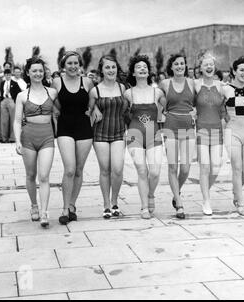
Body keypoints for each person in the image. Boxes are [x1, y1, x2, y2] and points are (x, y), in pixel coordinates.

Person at [13, 57, 58, 228]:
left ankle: (45, 212)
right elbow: (17, 121)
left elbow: (61, 111)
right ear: (28, 73)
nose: (38, 73)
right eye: (34, 71)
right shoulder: (22, 96)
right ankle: (34, 205)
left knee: (44, 176)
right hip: (28, 137)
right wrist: (17, 140)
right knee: (31, 175)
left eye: (40, 70)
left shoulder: (52, 92)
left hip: (47, 135)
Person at [51, 51, 94, 225]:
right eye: (69, 63)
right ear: (63, 65)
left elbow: (93, 101)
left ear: (80, 65)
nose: (73, 66)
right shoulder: (57, 82)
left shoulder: (88, 82)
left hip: (84, 128)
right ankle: (64, 208)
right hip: (65, 127)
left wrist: (94, 110)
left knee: (78, 170)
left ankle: (72, 205)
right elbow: (55, 105)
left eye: (76, 63)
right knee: (69, 168)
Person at [124, 55, 165, 219]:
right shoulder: (128, 93)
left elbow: (171, 108)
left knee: (154, 172)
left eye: (145, 66)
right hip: (134, 134)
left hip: (153, 133)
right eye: (138, 67)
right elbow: (119, 112)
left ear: (148, 71)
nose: (142, 68)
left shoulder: (158, 92)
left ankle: (151, 195)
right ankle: (143, 207)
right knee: (142, 170)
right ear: (133, 73)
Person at [88, 55, 128, 219]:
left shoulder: (122, 88)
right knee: (105, 169)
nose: (111, 70)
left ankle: (114, 201)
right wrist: (94, 108)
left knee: (117, 169)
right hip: (100, 133)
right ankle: (106, 204)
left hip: (118, 131)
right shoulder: (95, 91)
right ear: (102, 70)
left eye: (113, 67)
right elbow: (88, 111)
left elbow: (126, 109)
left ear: (117, 69)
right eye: (107, 67)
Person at [159, 53, 196, 219]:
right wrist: (161, 114)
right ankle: (179, 204)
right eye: (176, 64)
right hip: (171, 126)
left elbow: (200, 102)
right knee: (173, 167)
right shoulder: (165, 83)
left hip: (188, 127)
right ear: (171, 67)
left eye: (182, 63)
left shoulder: (192, 82)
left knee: (186, 168)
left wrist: (196, 112)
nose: (180, 66)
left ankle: (176, 193)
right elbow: (157, 103)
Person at [222, 56, 244, 215]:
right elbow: (216, 107)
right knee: (237, 168)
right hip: (232, 131)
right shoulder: (224, 88)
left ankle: (236, 191)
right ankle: (240, 202)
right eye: (241, 70)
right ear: (234, 71)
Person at [194, 53, 226, 215]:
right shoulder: (195, 85)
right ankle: (206, 200)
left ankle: (205, 189)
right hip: (201, 129)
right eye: (205, 64)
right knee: (205, 166)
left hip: (217, 130)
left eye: (211, 64)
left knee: (216, 167)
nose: (208, 67)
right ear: (200, 68)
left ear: (214, 67)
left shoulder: (221, 86)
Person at [0, 69, 21, 143]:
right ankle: (4, 138)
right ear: (4, 75)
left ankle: (12, 138)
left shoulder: (14, 83)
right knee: (4, 120)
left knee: (13, 119)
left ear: (11, 75)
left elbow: (19, 93)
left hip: (11, 100)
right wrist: (2, 100)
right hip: (4, 100)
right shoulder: (2, 83)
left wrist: (15, 101)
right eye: (6, 75)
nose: (7, 76)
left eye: (9, 75)